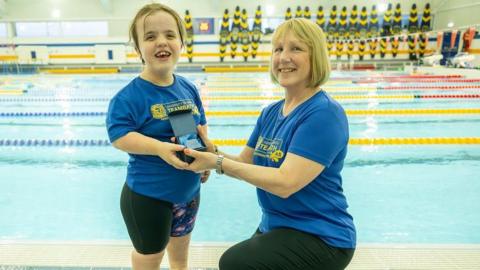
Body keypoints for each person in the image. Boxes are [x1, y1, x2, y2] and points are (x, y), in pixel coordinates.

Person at [183, 18, 356, 270]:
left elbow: (286, 183)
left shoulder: (324, 114)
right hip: (278, 226)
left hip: (322, 236)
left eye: (296, 49)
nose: (283, 57)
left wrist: (217, 163)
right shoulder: (271, 112)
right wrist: (212, 151)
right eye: (278, 49)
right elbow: (245, 162)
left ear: (316, 56)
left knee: (234, 263)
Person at [105, 3, 209, 270]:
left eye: (170, 35)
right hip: (148, 197)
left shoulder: (187, 88)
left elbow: (198, 126)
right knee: (149, 259)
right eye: (150, 37)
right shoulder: (129, 97)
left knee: (180, 258)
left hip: (189, 193)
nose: (161, 42)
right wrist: (160, 148)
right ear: (138, 48)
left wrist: (207, 153)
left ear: (181, 43)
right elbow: (119, 136)